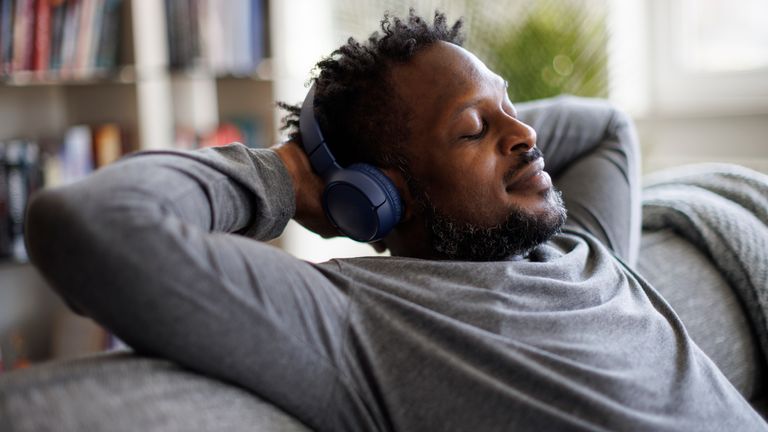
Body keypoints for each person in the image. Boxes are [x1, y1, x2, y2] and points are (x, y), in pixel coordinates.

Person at [24, 10, 767, 432]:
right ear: (381, 198)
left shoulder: (584, 246)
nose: (527, 135)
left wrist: (481, 124)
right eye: (474, 131)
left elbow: (602, 126)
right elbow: (87, 221)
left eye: (510, 107)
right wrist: (284, 175)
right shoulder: (359, 322)